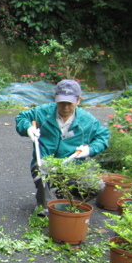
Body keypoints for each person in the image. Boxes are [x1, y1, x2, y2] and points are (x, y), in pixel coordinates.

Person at [15, 79, 110, 212]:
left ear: (78, 100)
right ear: (55, 98)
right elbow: (22, 118)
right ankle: (44, 210)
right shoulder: (42, 112)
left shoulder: (88, 120)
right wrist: (28, 128)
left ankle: (68, 202)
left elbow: (103, 137)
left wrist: (90, 149)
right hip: (45, 162)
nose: (65, 107)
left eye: (69, 103)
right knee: (43, 171)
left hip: (72, 166)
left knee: (97, 185)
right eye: (62, 103)